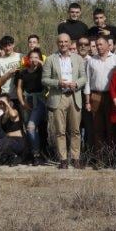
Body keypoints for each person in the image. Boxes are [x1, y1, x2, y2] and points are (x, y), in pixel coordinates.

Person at [43, 33, 87, 169]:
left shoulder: (78, 58)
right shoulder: (50, 59)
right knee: (60, 131)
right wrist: (57, 83)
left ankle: (75, 158)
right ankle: (63, 159)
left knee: (75, 130)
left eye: (66, 42)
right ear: (57, 43)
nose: (63, 44)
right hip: (58, 97)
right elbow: (44, 79)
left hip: (74, 96)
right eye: (60, 42)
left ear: (69, 43)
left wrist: (77, 84)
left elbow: (84, 77)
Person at [83, 35, 116, 168]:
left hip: (111, 96)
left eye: (101, 44)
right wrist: (87, 101)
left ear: (108, 45)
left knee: (111, 129)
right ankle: (100, 159)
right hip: (96, 96)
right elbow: (87, 81)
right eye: (97, 45)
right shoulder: (92, 61)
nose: (99, 47)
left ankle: (112, 159)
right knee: (98, 129)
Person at [17, 49, 47, 165]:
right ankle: (31, 153)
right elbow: (19, 88)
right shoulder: (23, 72)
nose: (33, 59)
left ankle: (36, 154)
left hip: (39, 101)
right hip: (26, 100)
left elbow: (50, 73)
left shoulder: (42, 70)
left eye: (36, 57)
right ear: (28, 59)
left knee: (31, 127)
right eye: (31, 57)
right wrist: (22, 102)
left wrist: (41, 63)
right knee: (28, 128)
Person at [0, 93, 27, 165]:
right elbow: (1, 131)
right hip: (7, 141)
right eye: (0, 104)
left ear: (9, 103)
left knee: (0, 144)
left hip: (18, 141)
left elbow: (13, 115)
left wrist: (6, 103)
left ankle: (15, 156)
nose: (2, 105)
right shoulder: (1, 117)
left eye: (3, 103)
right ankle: (14, 158)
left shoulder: (14, 111)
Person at [0, 36, 23, 101]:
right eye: (5, 46)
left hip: (22, 95)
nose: (7, 48)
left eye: (9, 45)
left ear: (13, 45)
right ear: (2, 46)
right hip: (7, 96)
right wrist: (9, 73)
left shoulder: (21, 56)